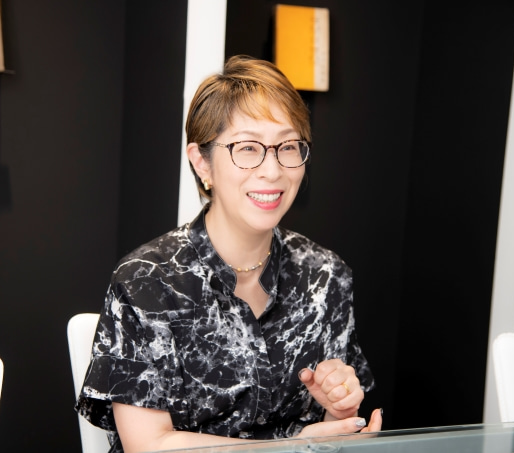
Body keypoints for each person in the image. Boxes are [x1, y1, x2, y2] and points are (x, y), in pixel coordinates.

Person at [76, 55, 381, 453]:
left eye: (288, 146)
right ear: (202, 162)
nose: (272, 170)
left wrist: (339, 411)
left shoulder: (325, 274)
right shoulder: (147, 280)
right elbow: (148, 445)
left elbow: (328, 438)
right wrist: (288, 447)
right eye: (248, 148)